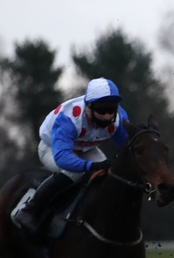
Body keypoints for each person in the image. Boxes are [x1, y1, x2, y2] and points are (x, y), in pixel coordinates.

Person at [15, 77, 130, 238]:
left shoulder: (119, 118)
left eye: (111, 110)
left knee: (106, 176)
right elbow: (63, 158)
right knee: (74, 173)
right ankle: (29, 210)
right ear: (88, 107)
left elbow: (128, 147)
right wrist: (91, 166)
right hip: (52, 148)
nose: (107, 116)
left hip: (86, 147)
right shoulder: (69, 118)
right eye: (102, 111)